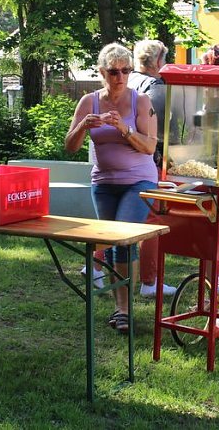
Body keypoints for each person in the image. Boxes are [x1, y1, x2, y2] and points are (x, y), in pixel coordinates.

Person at [64, 43, 159, 334]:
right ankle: (120, 307)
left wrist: (124, 129)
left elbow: (150, 147)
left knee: (122, 238)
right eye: (114, 71)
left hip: (139, 180)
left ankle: (125, 311)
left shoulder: (140, 101)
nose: (120, 76)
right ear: (102, 72)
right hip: (104, 183)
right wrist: (83, 126)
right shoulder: (88, 102)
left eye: (126, 70)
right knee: (112, 242)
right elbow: (70, 147)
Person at [127, 39, 177, 299]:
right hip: (146, 159)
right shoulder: (154, 85)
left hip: (125, 159)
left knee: (125, 217)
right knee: (152, 219)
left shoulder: (128, 81)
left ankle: (97, 267)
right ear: (157, 61)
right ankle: (150, 281)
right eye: (164, 59)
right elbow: (162, 129)